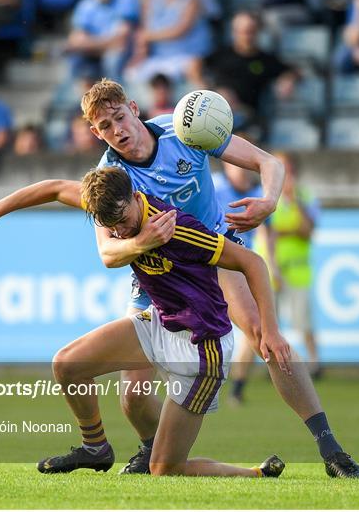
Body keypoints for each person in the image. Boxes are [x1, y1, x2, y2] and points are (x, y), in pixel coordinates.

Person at [0, 79, 359, 479]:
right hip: (155, 274)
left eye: (120, 118)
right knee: (133, 398)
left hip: (213, 251)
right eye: (104, 127)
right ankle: (152, 452)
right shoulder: (111, 179)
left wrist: (270, 200)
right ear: (95, 132)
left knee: (264, 334)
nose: (117, 130)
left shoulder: (186, 129)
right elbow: (67, 202)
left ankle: (330, 448)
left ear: (133, 108)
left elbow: (267, 162)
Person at [44, 166, 286, 477]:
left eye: (122, 222)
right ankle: (96, 448)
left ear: (134, 197)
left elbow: (251, 262)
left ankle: (254, 474)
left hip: (202, 345)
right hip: (161, 324)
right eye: (110, 228)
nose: (119, 233)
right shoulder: (126, 223)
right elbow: (103, 246)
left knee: (164, 469)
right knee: (66, 364)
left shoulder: (177, 227)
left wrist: (271, 330)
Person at [230, 152, 322, 405]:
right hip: (268, 273)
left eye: (288, 169)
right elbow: (264, 234)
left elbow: (308, 230)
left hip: (297, 273)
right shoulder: (263, 196)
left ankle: (315, 372)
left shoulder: (304, 197)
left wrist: (293, 202)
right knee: (257, 329)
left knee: (304, 325)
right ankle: (238, 384)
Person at [212, 162, 264, 404]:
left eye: (243, 165)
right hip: (213, 265)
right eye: (235, 164)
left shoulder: (258, 195)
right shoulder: (213, 185)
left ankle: (237, 386)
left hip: (242, 269)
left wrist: (270, 264)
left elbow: (267, 232)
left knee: (255, 330)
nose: (241, 170)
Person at [202, 12, 299, 119]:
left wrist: (288, 78)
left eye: (251, 31)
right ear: (234, 32)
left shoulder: (266, 60)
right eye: (242, 32)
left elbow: (293, 70)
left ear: (258, 32)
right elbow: (194, 65)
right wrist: (211, 91)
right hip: (216, 110)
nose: (247, 36)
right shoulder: (220, 55)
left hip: (247, 116)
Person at [124, 0, 212, 85]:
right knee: (130, 73)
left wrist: (149, 36)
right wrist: (140, 54)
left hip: (185, 55)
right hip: (157, 57)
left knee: (194, 70)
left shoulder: (192, 1)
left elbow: (181, 29)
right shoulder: (152, 0)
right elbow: (144, 30)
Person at [64, 0, 140, 83]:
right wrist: (105, 45)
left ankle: (116, 97)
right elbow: (75, 40)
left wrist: (88, 44)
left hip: (120, 54)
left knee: (112, 58)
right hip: (93, 53)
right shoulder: (85, 4)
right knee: (75, 59)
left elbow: (121, 39)